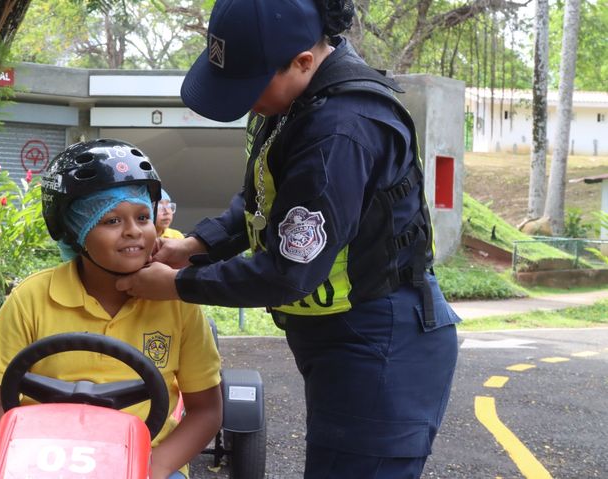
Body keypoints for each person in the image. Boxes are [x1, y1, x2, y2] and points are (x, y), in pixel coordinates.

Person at [116, 0, 460, 477]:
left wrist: (177, 285)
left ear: (302, 61)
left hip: (381, 344)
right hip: (338, 335)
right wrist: (196, 246)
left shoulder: (340, 131)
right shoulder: (296, 101)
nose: (245, 103)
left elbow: (287, 271)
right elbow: (268, 198)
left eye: (249, 87)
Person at [0, 139, 223, 479]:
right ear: (75, 230)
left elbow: (206, 410)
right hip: (44, 462)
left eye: (142, 217)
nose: (133, 231)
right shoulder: (31, 298)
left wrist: (155, 466)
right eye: (112, 220)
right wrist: (19, 460)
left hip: (147, 462)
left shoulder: (177, 302)